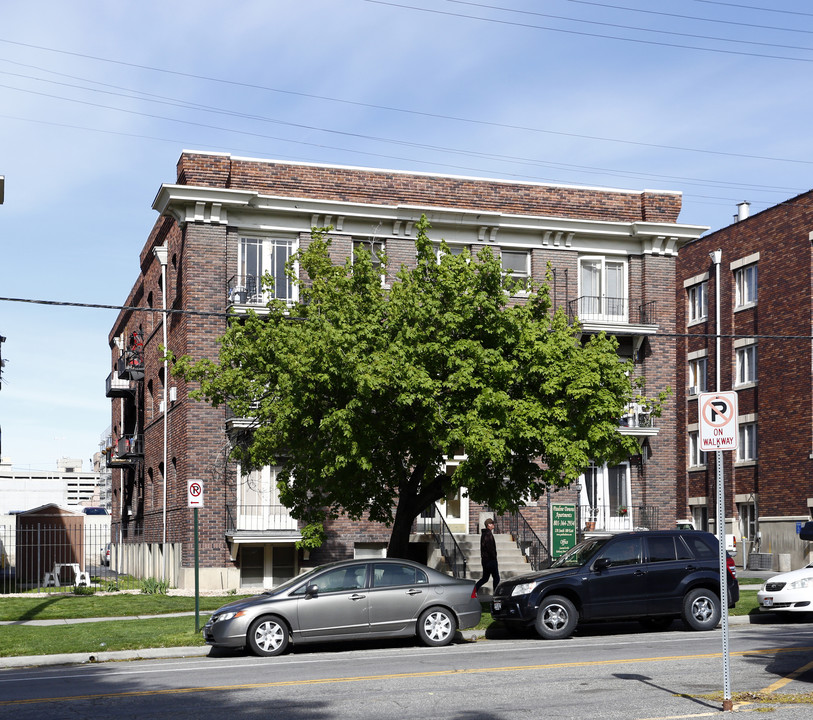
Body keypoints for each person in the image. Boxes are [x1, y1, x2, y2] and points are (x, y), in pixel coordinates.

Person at [474, 517, 500, 595]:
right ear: (489, 525)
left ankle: (473, 590)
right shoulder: (488, 534)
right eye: (492, 523)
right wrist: (494, 558)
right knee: (496, 578)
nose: (493, 525)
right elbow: (490, 549)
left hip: (485, 560)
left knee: (485, 578)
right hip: (490, 560)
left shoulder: (485, 534)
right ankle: (496, 594)